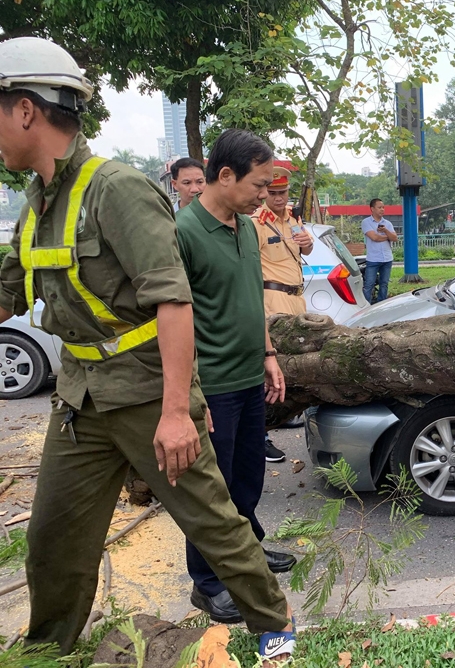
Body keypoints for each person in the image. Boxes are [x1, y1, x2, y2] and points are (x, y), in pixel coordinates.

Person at [0, 38, 294, 663]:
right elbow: (6, 289)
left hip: (144, 392)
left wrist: (174, 411)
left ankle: (275, 628)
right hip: (80, 397)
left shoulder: (118, 190)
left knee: (212, 518)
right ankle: (46, 651)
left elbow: (174, 301)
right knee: (53, 537)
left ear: (25, 110)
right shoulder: (38, 203)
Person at [176, 128, 298, 624]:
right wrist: (189, 397)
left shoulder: (246, 228)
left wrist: (269, 353)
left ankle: (246, 554)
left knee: (247, 477)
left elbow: (252, 300)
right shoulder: (183, 233)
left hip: (249, 374)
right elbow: (173, 318)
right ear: (224, 176)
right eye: (259, 185)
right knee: (212, 490)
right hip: (214, 386)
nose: (265, 195)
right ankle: (207, 583)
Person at [252, 166, 313, 463]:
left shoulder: (294, 218)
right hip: (271, 299)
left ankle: (280, 416)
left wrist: (309, 244)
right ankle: (259, 436)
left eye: (283, 193)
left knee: (287, 367)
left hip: (296, 298)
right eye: (273, 193)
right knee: (268, 369)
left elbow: (304, 252)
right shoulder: (256, 222)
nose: (278, 198)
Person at [362, 197, 397, 303]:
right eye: (379, 207)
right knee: (369, 284)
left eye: (383, 207)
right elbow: (374, 238)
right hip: (373, 259)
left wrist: (385, 230)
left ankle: (381, 304)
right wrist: (388, 236)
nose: (382, 209)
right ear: (372, 209)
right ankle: (366, 307)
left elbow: (395, 238)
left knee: (384, 283)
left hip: (387, 258)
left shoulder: (387, 223)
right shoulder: (366, 222)